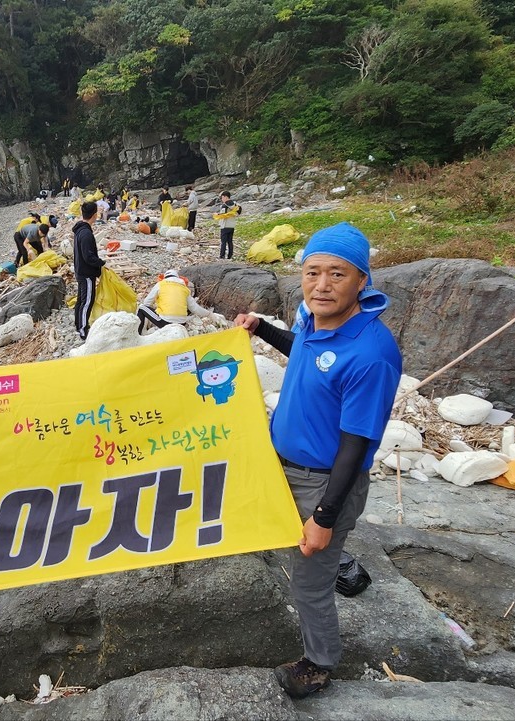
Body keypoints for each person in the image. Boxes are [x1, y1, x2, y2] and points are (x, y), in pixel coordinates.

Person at [233, 222, 401, 699]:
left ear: (363, 280)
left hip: (321, 484)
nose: (322, 285)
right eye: (312, 273)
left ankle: (319, 663)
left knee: (308, 585)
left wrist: (324, 517)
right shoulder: (315, 319)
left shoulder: (370, 352)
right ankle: (334, 553)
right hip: (281, 466)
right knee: (295, 549)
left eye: (337, 274)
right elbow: (306, 353)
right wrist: (262, 328)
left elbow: (356, 445)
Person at [135, 269, 214, 333]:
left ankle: (138, 334)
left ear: (165, 277)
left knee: (142, 308)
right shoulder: (184, 288)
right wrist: (209, 314)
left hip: (164, 322)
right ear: (178, 278)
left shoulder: (161, 284)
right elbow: (195, 308)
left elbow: (147, 302)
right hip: (181, 324)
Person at [72, 201, 103, 340]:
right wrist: (101, 263)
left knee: (81, 300)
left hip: (80, 271)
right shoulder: (86, 233)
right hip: (86, 273)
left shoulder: (80, 230)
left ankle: (79, 324)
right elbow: (88, 256)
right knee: (87, 301)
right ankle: (83, 329)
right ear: (95, 215)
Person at [213, 191, 240, 259]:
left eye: (222, 197)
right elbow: (238, 213)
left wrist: (217, 215)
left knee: (223, 242)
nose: (221, 199)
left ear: (225, 196)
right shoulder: (235, 204)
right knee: (230, 241)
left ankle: (222, 256)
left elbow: (223, 215)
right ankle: (230, 255)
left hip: (225, 225)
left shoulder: (224, 205)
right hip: (232, 225)